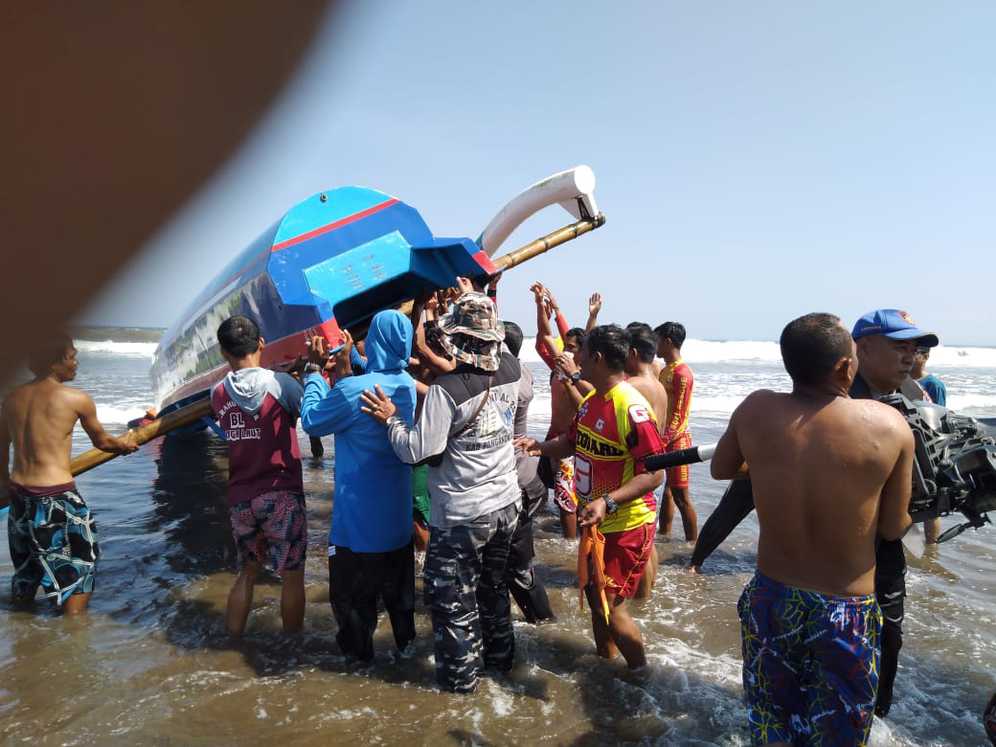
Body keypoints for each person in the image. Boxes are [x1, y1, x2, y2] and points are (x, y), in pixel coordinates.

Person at [686, 308, 938, 718]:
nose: (909, 356)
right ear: (846, 364)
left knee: (772, 717)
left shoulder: (756, 408)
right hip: (845, 608)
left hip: (772, 595)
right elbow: (894, 528)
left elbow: (721, 469)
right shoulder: (890, 426)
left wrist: (776, 465)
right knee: (838, 726)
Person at [361, 290, 521, 693]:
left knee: (451, 604)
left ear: (459, 340)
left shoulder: (446, 390)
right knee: (493, 589)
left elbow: (419, 449)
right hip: (507, 502)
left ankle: (460, 687)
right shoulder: (511, 368)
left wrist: (391, 420)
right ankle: (502, 664)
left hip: (465, 512)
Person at [518, 325, 665, 670]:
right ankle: (605, 664)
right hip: (595, 522)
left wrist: (608, 501)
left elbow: (654, 473)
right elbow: (571, 441)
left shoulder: (631, 408)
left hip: (626, 523)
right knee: (594, 597)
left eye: (581, 352)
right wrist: (539, 447)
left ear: (596, 358)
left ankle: (640, 677)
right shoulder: (590, 403)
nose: (575, 357)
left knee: (610, 605)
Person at [300, 312, 418, 662]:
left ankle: (359, 673)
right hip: (397, 526)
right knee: (401, 608)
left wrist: (313, 374)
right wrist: (351, 359)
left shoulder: (354, 390)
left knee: (354, 614)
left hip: (356, 531)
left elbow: (312, 421)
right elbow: (373, 376)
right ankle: (406, 660)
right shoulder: (407, 385)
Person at [0, 334, 137, 613]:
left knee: (28, 570)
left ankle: (24, 637)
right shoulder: (75, 399)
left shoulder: (11, 399)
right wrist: (125, 444)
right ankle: (74, 640)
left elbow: (2, 446)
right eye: (72, 357)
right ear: (55, 362)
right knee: (79, 568)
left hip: (19, 498)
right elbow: (103, 442)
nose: (76, 363)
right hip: (56, 499)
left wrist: (4, 481)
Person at [211, 316, 307, 637]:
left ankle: (232, 642)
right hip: (281, 492)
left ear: (224, 352)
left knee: (247, 572)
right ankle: (292, 649)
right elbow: (308, 412)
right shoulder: (282, 384)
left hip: (241, 497)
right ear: (261, 343)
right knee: (291, 575)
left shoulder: (218, 393)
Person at [531, 282, 596, 539]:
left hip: (574, 443)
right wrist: (540, 306)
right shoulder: (560, 367)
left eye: (571, 348)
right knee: (562, 494)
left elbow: (586, 340)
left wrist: (591, 317)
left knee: (567, 498)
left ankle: (571, 547)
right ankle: (573, 539)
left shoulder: (585, 376)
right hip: (555, 437)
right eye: (565, 347)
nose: (566, 350)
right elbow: (546, 336)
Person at [502, 320, 555, 623]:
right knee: (515, 561)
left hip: (521, 481)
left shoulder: (511, 380)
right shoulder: (520, 370)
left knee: (518, 566)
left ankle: (542, 622)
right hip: (524, 475)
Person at [623, 323, 669, 599]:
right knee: (648, 539)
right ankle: (647, 593)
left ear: (633, 352)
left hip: (638, 469)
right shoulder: (658, 384)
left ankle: (641, 599)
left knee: (640, 541)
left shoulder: (634, 387)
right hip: (654, 463)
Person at [655, 321, 698, 541]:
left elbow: (679, 417)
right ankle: (665, 534)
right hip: (665, 438)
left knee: (681, 496)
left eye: (657, 340)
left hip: (678, 441)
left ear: (668, 341)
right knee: (668, 493)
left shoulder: (682, 373)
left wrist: (662, 442)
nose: (655, 345)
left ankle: (693, 544)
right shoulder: (665, 370)